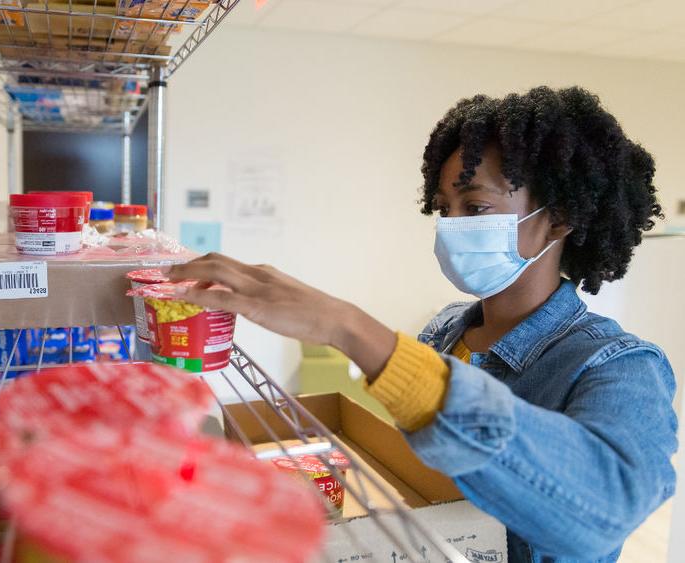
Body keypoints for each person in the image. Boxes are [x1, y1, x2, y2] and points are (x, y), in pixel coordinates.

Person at [169, 86, 678, 563]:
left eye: (475, 206)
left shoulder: (621, 364)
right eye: (444, 209)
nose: (452, 227)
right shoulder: (448, 329)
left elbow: (605, 512)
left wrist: (350, 328)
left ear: (560, 217)